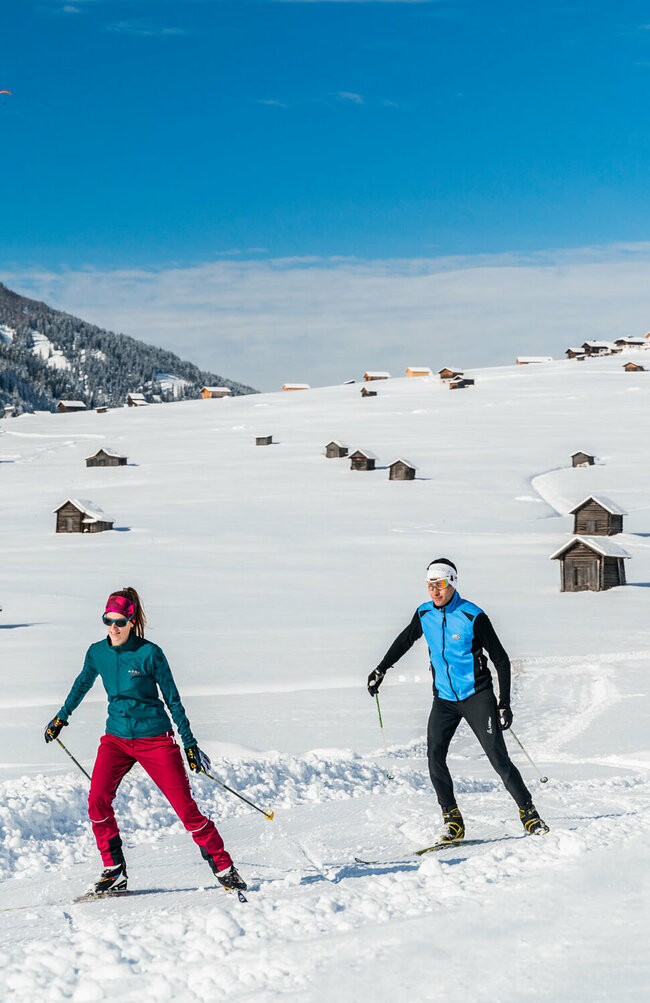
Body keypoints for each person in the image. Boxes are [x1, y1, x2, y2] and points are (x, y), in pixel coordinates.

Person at [44, 587, 246, 894]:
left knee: (185, 808)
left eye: (120, 621)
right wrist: (61, 717)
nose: (113, 627)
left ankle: (223, 866)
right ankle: (114, 870)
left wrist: (189, 744)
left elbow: (174, 701)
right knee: (97, 800)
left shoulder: (150, 653)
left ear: (131, 620)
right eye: (108, 620)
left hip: (156, 740)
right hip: (116, 739)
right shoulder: (97, 652)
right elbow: (81, 684)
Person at [367, 559, 548, 840]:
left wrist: (504, 702)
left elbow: (500, 659)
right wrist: (381, 669)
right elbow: (404, 640)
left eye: (439, 584)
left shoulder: (472, 616)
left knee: (498, 759)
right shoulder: (424, 613)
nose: (434, 591)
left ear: (451, 582)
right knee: (434, 756)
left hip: (477, 696)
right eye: (429, 585)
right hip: (444, 699)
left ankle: (529, 813)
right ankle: (452, 819)